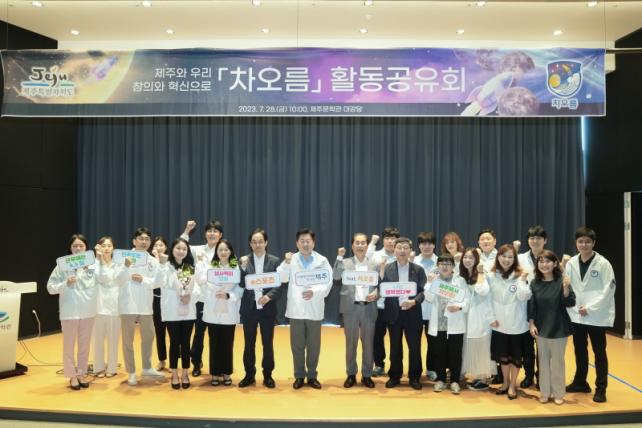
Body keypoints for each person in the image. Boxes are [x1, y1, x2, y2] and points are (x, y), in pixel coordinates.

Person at [277, 228, 333, 389]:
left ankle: (312, 375)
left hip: (314, 309)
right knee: (297, 346)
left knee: (314, 346)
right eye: (302, 241)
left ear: (313, 243)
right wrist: (286, 263)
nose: (305, 244)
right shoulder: (291, 259)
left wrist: (314, 291)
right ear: (297, 243)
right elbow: (281, 278)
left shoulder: (322, 260)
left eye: (308, 241)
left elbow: (328, 282)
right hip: (296, 309)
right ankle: (299, 376)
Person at [565, 227, 615, 403]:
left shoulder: (603, 264)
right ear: (576, 243)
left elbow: (609, 289)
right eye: (580, 241)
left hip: (596, 316)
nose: (584, 245)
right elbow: (568, 286)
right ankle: (580, 382)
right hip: (577, 315)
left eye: (587, 242)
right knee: (579, 350)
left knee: (599, 352)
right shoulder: (571, 263)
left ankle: (601, 388)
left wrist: (590, 308)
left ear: (593, 243)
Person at [47, 234, 98, 390]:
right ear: (70, 248)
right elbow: (50, 288)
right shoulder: (62, 266)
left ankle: (81, 374)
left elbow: (105, 280)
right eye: (75, 246)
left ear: (86, 248)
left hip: (88, 311)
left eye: (81, 245)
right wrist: (65, 283)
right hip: (69, 312)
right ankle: (72, 376)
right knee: (68, 346)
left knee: (84, 346)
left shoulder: (93, 265)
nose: (78, 248)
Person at [115, 227, 164, 386]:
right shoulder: (123, 257)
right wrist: (125, 266)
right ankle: (131, 372)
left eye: (147, 239)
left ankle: (147, 367)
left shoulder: (152, 260)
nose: (144, 242)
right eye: (141, 239)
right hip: (128, 305)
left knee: (149, 337)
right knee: (127, 340)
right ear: (134, 241)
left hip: (145, 305)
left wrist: (144, 279)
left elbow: (158, 282)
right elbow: (117, 280)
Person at [528, 250, 575, 405]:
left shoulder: (562, 281)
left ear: (555, 263)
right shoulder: (534, 283)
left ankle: (558, 393)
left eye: (548, 261)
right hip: (541, 328)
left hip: (559, 327)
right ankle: (545, 392)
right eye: (541, 261)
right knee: (543, 362)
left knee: (558, 363)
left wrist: (566, 289)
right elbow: (532, 306)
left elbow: (570, 302)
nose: (544, 265)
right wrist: (531, 324)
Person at [333, 232, 379, 388]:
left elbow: (380, 285)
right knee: (351, 343)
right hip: (350, 308)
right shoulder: (345, 262)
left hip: (369, 308)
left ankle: (367, 375)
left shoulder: (374, 264)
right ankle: (351, 374)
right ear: (352, 246)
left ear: (367, 245)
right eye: (357, 243)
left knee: (368, 343)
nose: (360, 246)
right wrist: (339, 257)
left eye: (363, 243)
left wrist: (377, 293)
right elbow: (336, 276)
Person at [238, 228, 282, 389]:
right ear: (250, 244)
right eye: (254, 242)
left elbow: (279, 284)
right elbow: (240, 284)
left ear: (266, 243)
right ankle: (249, 375)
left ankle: (268, 375)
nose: (257, 245)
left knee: (267, 343)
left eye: (260, 241)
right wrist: (242, 269)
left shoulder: (274, 261)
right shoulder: (244, 261)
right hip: (249, 309)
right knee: (249, 343)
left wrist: (268, 297)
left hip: (267, 308)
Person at [381, 237, 427, 390]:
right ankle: (395, 376)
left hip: (412, 312)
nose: (402, 250)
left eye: (405, 247)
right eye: (399, 247)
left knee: (414, 347)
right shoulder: (387, 268)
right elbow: (381, 288)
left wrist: (414, 302)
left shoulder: (418, 269)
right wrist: (380, 275)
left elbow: (423, 291)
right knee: (395, 347)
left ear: (411, 251)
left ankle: (414, 377)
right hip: (394, 313)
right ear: (394, 250)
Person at [488, 243, 531, 399]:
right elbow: (487, 299)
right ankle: (505, 383)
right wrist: (491, 318)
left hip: (517, 324)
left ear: (515, 259)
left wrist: (522, 280)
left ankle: (513, 385)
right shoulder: (491, 275)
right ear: (498, 257)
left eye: (510, 257)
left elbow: (524, 296)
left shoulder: (520, 275)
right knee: (503, 358)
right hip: (498, 325)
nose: (506, 260)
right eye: (504, 256)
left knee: (515, 358)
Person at [197, 239, 242, 386]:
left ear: (230, 252)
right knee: (214, 343)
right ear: (216, 252)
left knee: (227, 343)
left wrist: (229, 295)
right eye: (220, 250)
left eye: (226, 250)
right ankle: (215, 373)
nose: (223, 252)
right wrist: (201, 264)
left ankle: (226, 372)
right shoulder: (210, 267)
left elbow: (240, 288)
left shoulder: (236, 268)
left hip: (228, 309)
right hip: (213, 309)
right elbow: (201, 280)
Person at [156, 238, 200, 390]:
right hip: (172, 310)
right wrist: (161, 265)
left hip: (188, 310)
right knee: (174, 342)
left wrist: (190, 296)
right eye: (178, 248)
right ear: (172, 249)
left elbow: (197, 287)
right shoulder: (166, 266)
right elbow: (159, 282)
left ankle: (185, 373)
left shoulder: (190, 267)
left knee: (186, 342)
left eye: (184, 249)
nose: (181, 251)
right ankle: (174, 373)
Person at [182, 219, 223, 377]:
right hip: (200, 299)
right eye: (209, 231)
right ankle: (196, 363)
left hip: (218, 299)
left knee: (216, 334)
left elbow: (233, 269)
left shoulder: (225, 250)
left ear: (220, 235)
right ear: (205, 234)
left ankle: (217, 366)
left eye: (215, 231)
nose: (212, 234)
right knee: (199, 333)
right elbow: (181, 246)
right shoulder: (198, 250)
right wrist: (187, 231)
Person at [425, 253, 470, 394]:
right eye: (442, 264)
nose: (445, 267)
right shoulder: (434, 280)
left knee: (455, 353)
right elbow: (429, 298)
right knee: (439, 353)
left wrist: (459, 307)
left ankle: (455, 381)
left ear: (453, 266)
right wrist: (429, 283)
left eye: (448, 264)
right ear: (438, 266)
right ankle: (441, 380)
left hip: (455, 323)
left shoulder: (460, 281)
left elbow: (467, 300)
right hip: (438, 324)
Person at [460, 247, 496, 391]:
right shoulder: (463, 275)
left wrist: (480, 272)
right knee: (472, 345)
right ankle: (477, 375)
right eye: (465, 257)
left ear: (477, 260)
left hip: (482, 316)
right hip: (468, 316)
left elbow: (483, 291)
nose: (467, 260)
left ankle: (484, 378)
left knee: (482, 347)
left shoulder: (482, 273)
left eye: (471, 258)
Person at [516, 225, 548, 389]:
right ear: (528, 241)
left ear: (545, 241)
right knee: (527, 346)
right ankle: (528, 376)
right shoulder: (520, 258)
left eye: (538, 238)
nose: (535, 241)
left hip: (543, 308)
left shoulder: (549, 258)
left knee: (542, 346)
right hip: (524, 306)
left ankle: (542, 376)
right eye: (532, 238)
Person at [370, 226, 400, 377]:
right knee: (377, 336)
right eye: (387, 238)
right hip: (379, 303)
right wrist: (372, 243)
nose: (390, 241)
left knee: (396, 337)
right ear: (383, 240)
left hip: (396, 304)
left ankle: (395, 366)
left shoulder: (402, 255)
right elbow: (368, 274)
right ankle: (379, 364)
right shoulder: (375, 255)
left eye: (393, 238)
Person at [93, 236, 120, 378]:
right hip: (98, 307)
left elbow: (111, 279)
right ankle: (98, 367)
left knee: (113, 340)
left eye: (109, 245)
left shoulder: (118, 264)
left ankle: (112, 367)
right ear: (98, 248)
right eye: (103, 246)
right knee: (98, 340)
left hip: (115, 307)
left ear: (113, 248)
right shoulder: (93, 264)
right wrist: (100, 260)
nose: (106, 248)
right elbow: (102, 278)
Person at [413, 231, 438, 381]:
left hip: (434, 310)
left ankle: (431, 368)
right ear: (419, 246)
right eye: (423, 243)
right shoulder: (413, 261)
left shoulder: (441, 262)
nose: (426, 246)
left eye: (430, 243)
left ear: (434, 245)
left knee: (433, 342)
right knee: (414, 343)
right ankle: (415, 371)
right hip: (415, 308)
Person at [150, 236, 169, 372]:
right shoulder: (150, 262)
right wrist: (156, 260)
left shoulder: (170, 261)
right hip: (156, 300)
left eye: (161, 245)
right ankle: (161, 360)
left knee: (174, 332)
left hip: (170, 301)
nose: (158, 247)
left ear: (166, 247)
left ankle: (175, 361)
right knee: (159, 331)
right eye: (156, 245)